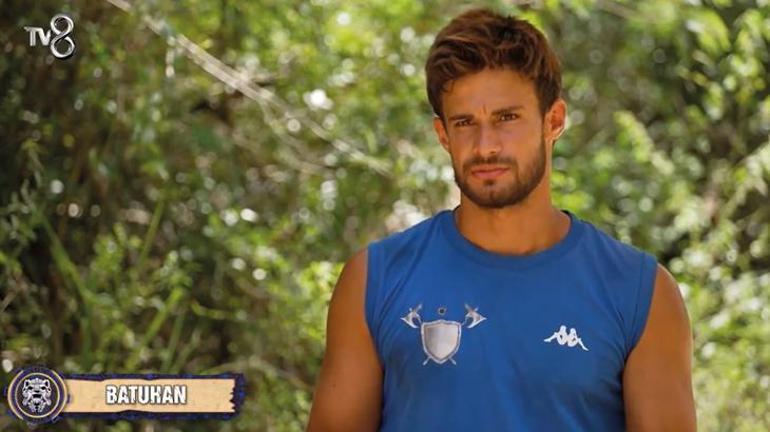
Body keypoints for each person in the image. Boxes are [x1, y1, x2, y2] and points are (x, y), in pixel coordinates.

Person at [308, 7, 696, 431]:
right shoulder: (375, 281)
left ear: (553, 121)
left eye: (506, 118)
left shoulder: (640, 293)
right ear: (443, 135)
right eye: (465, 122)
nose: (486, 145)